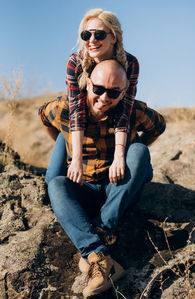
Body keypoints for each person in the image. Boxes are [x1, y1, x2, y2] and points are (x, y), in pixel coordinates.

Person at [39, 59, 166, 297]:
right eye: (98, 89)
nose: (105, 97)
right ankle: (99, 256)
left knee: (139, 152)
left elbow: (159, 126)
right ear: (88, 84)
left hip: (117, 189)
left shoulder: (132, 112)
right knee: (56, 184)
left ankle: (103, 228)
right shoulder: (65, 108)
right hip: (83, 187)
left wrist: (131, 147)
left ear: (123, 93)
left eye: (114, 92)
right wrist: (64, 141)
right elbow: (44, 117)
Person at [65, 8, 139, 186]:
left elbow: (124, 112)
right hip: (78, 126)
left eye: (99, 35)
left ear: (114, 37)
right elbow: (76, 112)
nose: (91, 40)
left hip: (110, 123)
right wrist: (76, 159)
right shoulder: (75, 62)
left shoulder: (130, 65)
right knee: (53, 177)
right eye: (86, 35)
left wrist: (119, 156)